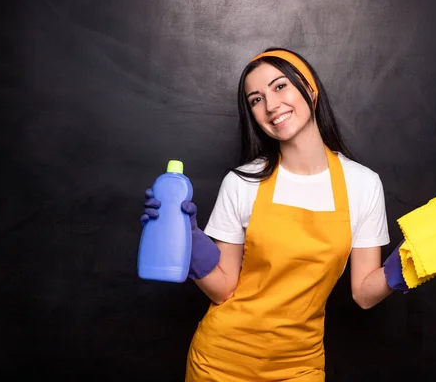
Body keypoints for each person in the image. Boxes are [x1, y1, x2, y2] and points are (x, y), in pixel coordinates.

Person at [140, 47, 409, 381]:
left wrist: (407, 265)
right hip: (220, 363)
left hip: (300, 367)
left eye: (280, 86)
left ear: (310, 89)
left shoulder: (363, 184)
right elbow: (223, 289)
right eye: (256, 99)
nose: (270, 105)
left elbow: (364, 294)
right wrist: (187, 239)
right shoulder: (241, 182)